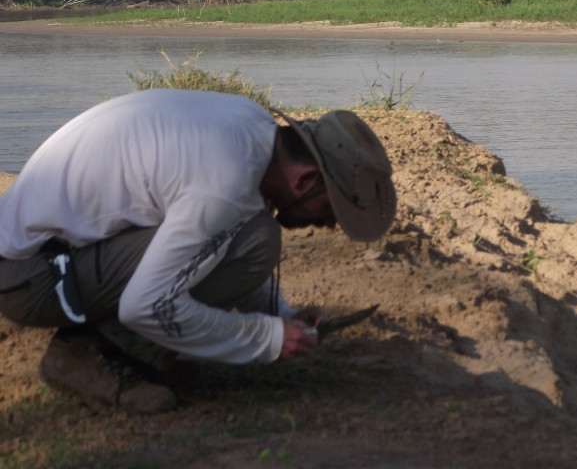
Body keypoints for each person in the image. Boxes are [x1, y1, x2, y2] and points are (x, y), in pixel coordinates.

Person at [0, 88, 396, 414]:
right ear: (307, 178)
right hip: (28, 276)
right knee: (257, 241)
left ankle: (128, 349)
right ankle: (86, 353)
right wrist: (268, 338)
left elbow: (219, 239)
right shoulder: (224, 181)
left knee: (254, 236)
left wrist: (281, 312)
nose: (327, 224)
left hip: (51, 257)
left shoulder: (251, 128)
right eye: (330, 209)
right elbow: (147, 304)